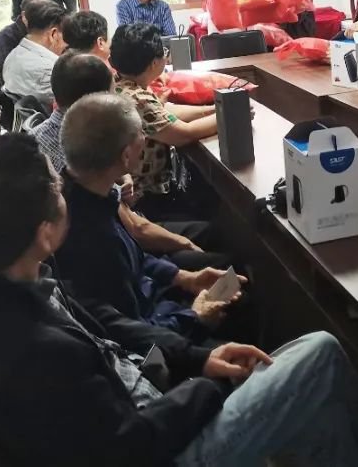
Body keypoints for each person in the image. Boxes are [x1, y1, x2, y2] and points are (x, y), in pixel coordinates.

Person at [0, 133, 358, 466]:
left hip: (137, 404)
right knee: (318, 351)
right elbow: (133, 445)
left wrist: (199, 357)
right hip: (161, 448)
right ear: (44, 232)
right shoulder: (40, 352)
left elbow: (107, 330)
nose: (64, 189)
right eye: (57, 186)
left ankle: (350, 433)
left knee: (309, 402)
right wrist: (212, 387)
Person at [55, 93, 237, 342]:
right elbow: (135, 334)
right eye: (141, 133)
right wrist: (195, 317)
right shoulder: (92, 238)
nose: (145, 138)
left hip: (155, 300)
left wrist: (183, 278)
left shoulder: (91, 192)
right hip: (158, 332)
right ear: (125, 156)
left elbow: (136, 258)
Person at [31, 53, 229, 271]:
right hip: (119, 253)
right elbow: (136, 229)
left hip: (109, 245)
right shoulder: (91, 142)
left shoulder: (37, 138)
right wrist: (185, 247)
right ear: (98, 101)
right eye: (112, 91)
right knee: (219, 245)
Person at [111, 23, 218, 218]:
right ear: (154, 63)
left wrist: (213, 109)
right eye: (165, 53)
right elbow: (184, 134)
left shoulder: (122, 83)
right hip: (146, 197)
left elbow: (165, 114)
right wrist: (228, 116)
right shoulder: (136, 98)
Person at [2, 0, 68, 101]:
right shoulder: (49, 70)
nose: (66, 44)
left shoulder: (12, 57)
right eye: (65, 37)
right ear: (53, 34)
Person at [0, 0, 48, 81]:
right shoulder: (7, 36)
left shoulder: (49, 29)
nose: (43, 18)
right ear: (24, 15)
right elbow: (9, 71)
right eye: (38, 14)